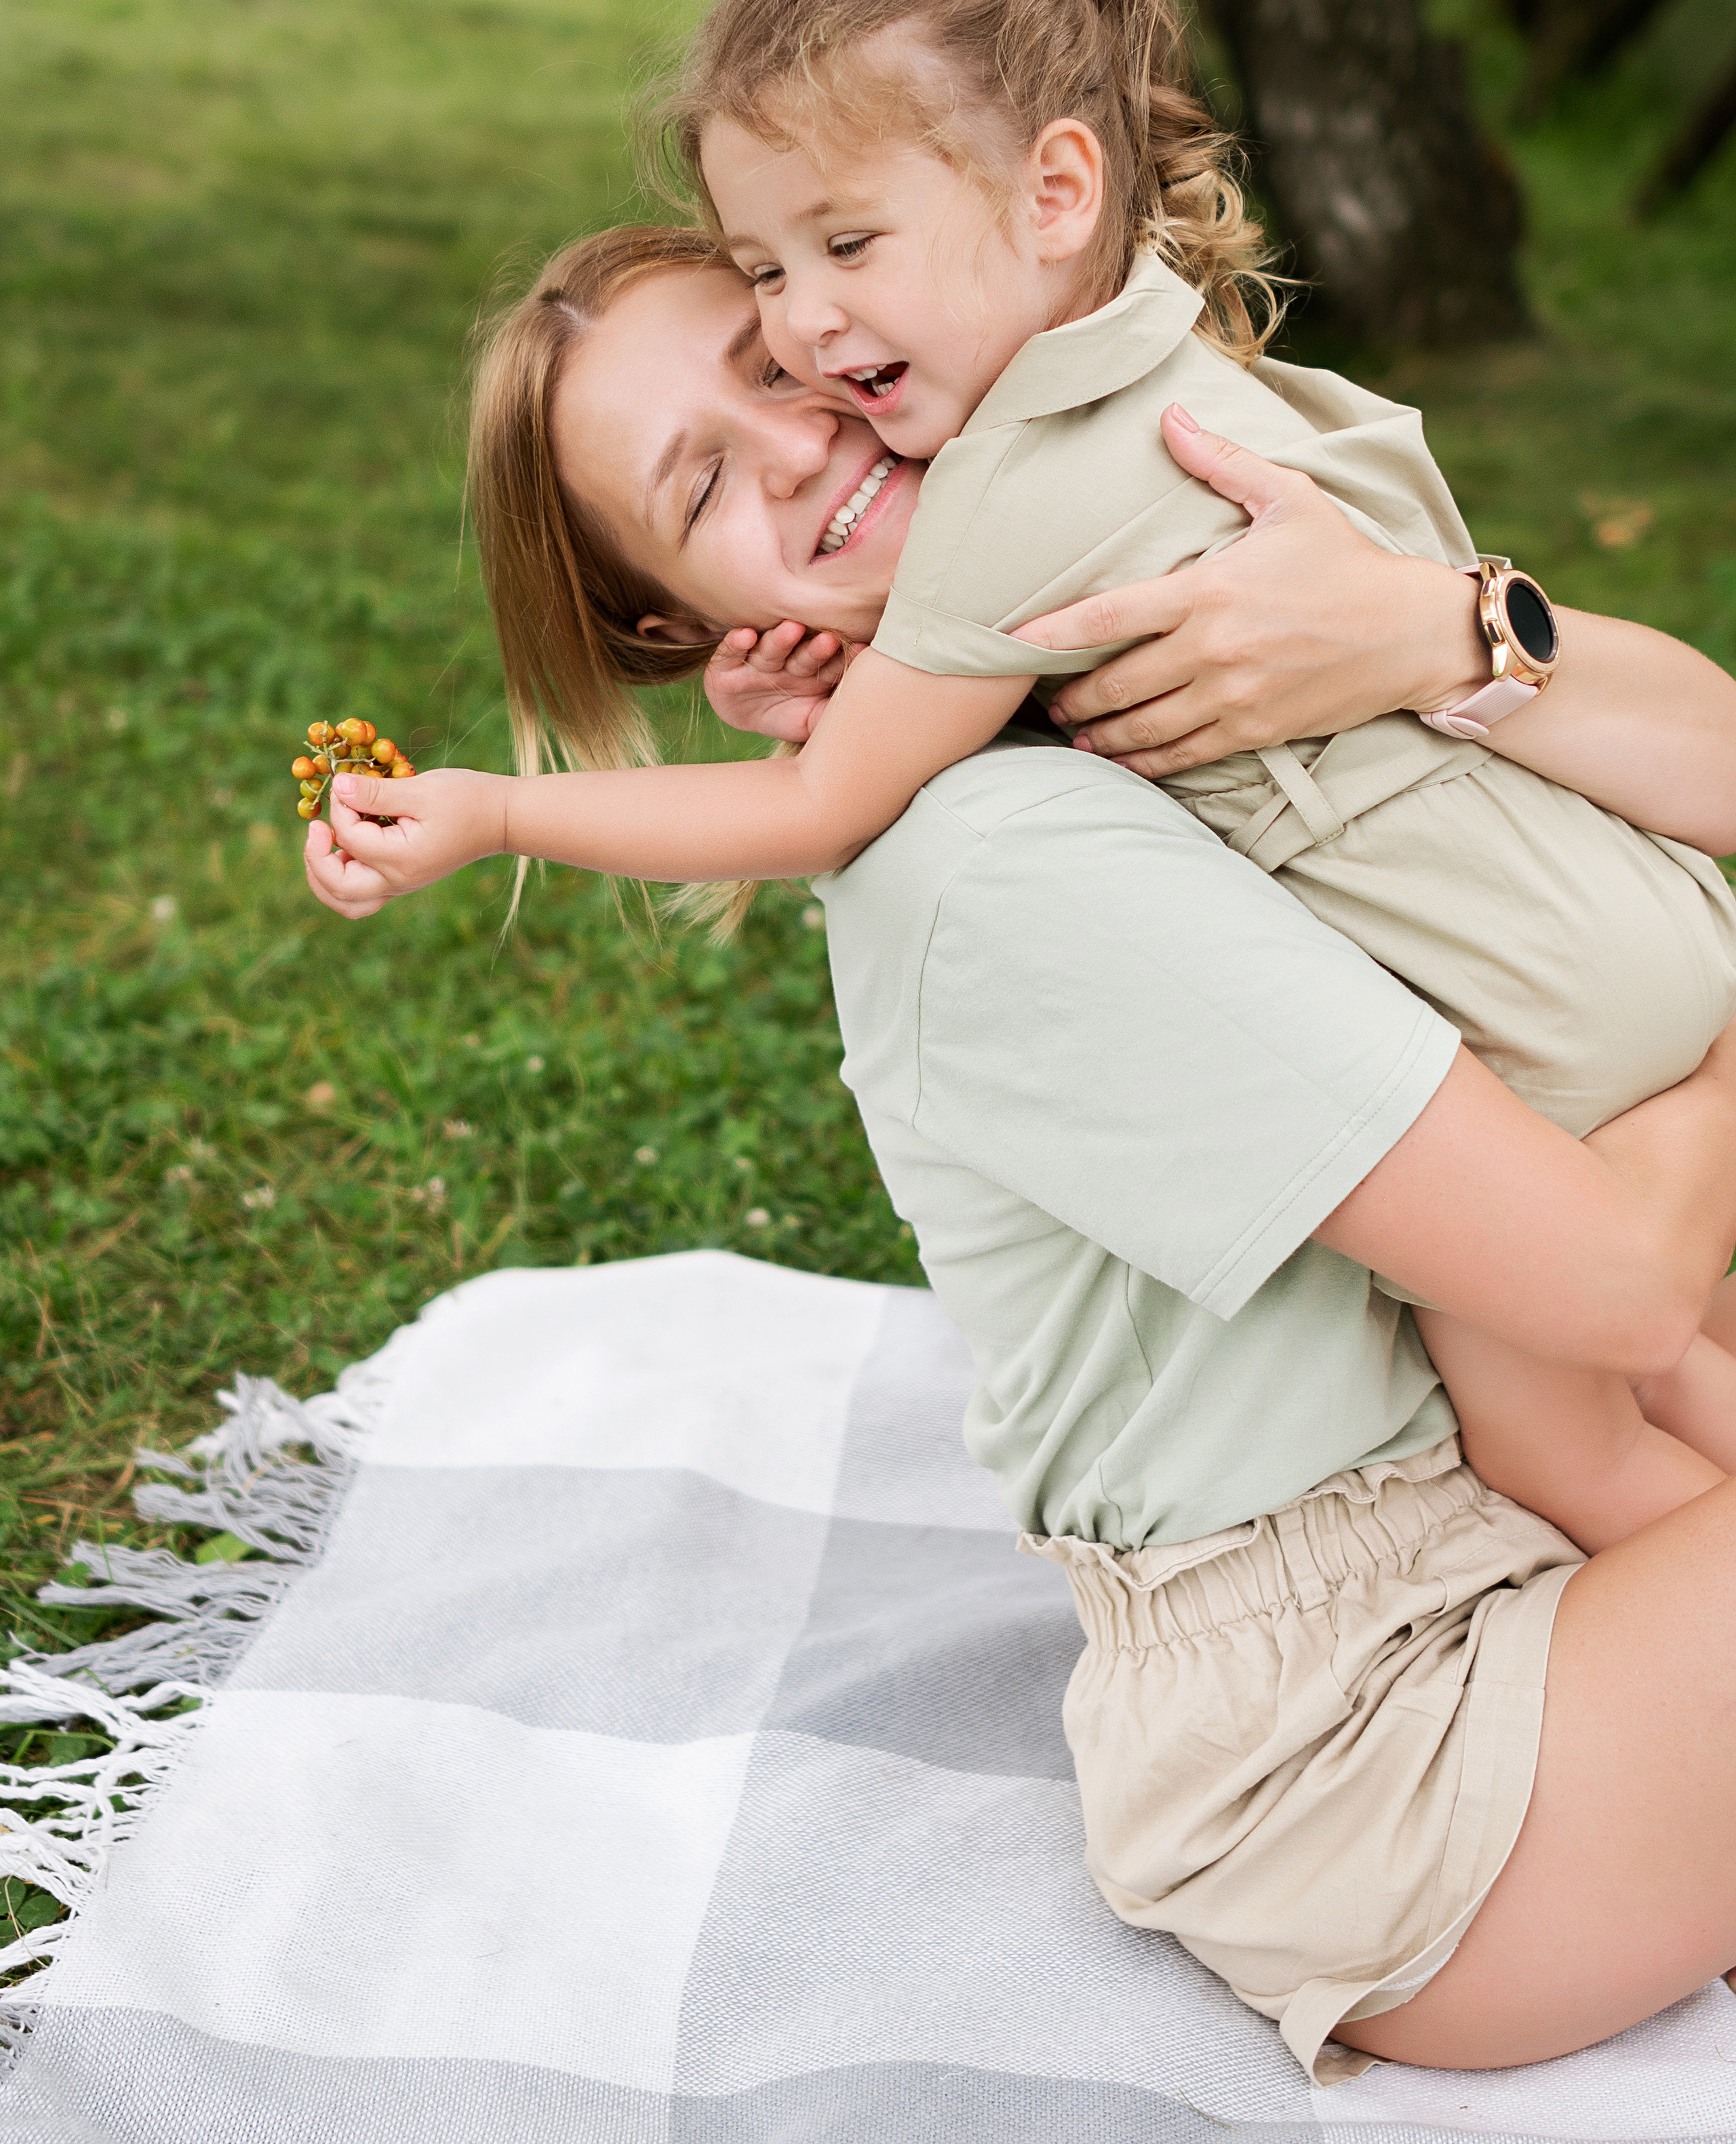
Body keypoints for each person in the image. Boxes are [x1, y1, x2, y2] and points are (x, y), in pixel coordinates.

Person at [302, 227, 1736, 2080]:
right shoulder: (996, 856)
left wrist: (1427, 625)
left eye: (772, 359)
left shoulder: (1139, 610)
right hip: (1404, 1747)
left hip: (1537, 1528)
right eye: (706, 484)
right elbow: (1617, 1282)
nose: (800, 443)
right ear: (688, 619)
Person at [308, 0, 1736, 1555]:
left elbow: (815, 815)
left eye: (831, 270)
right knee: (1683, 1369)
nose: (812, 344)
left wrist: (495, 811)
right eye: (769, 276)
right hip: (1633, 919)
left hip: (1548, 1018)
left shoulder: (1007, 487)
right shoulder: (1166, 371)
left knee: (1572, 1442)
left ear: (1048, 189)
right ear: (670, 619)